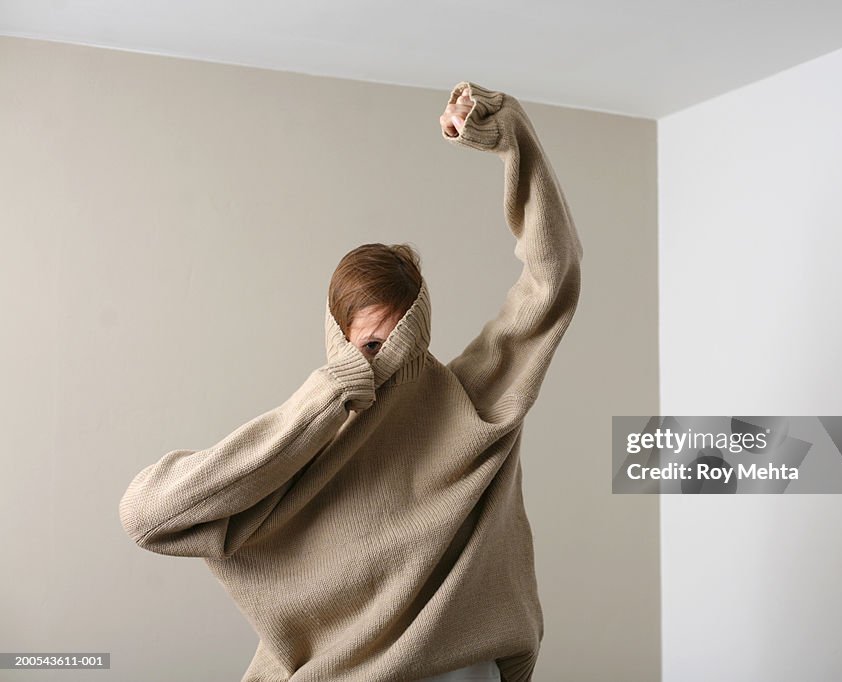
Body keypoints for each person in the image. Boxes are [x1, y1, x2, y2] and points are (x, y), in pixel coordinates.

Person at [119, 80, 583, 682]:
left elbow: (552, 277)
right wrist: (326, 398)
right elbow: (148, 517)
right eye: (367, 346)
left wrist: (509, 134)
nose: (383, 361)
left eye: (400, 340)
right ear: (337, 339)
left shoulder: (476, 399)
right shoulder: (303, 442)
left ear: (422, 329)